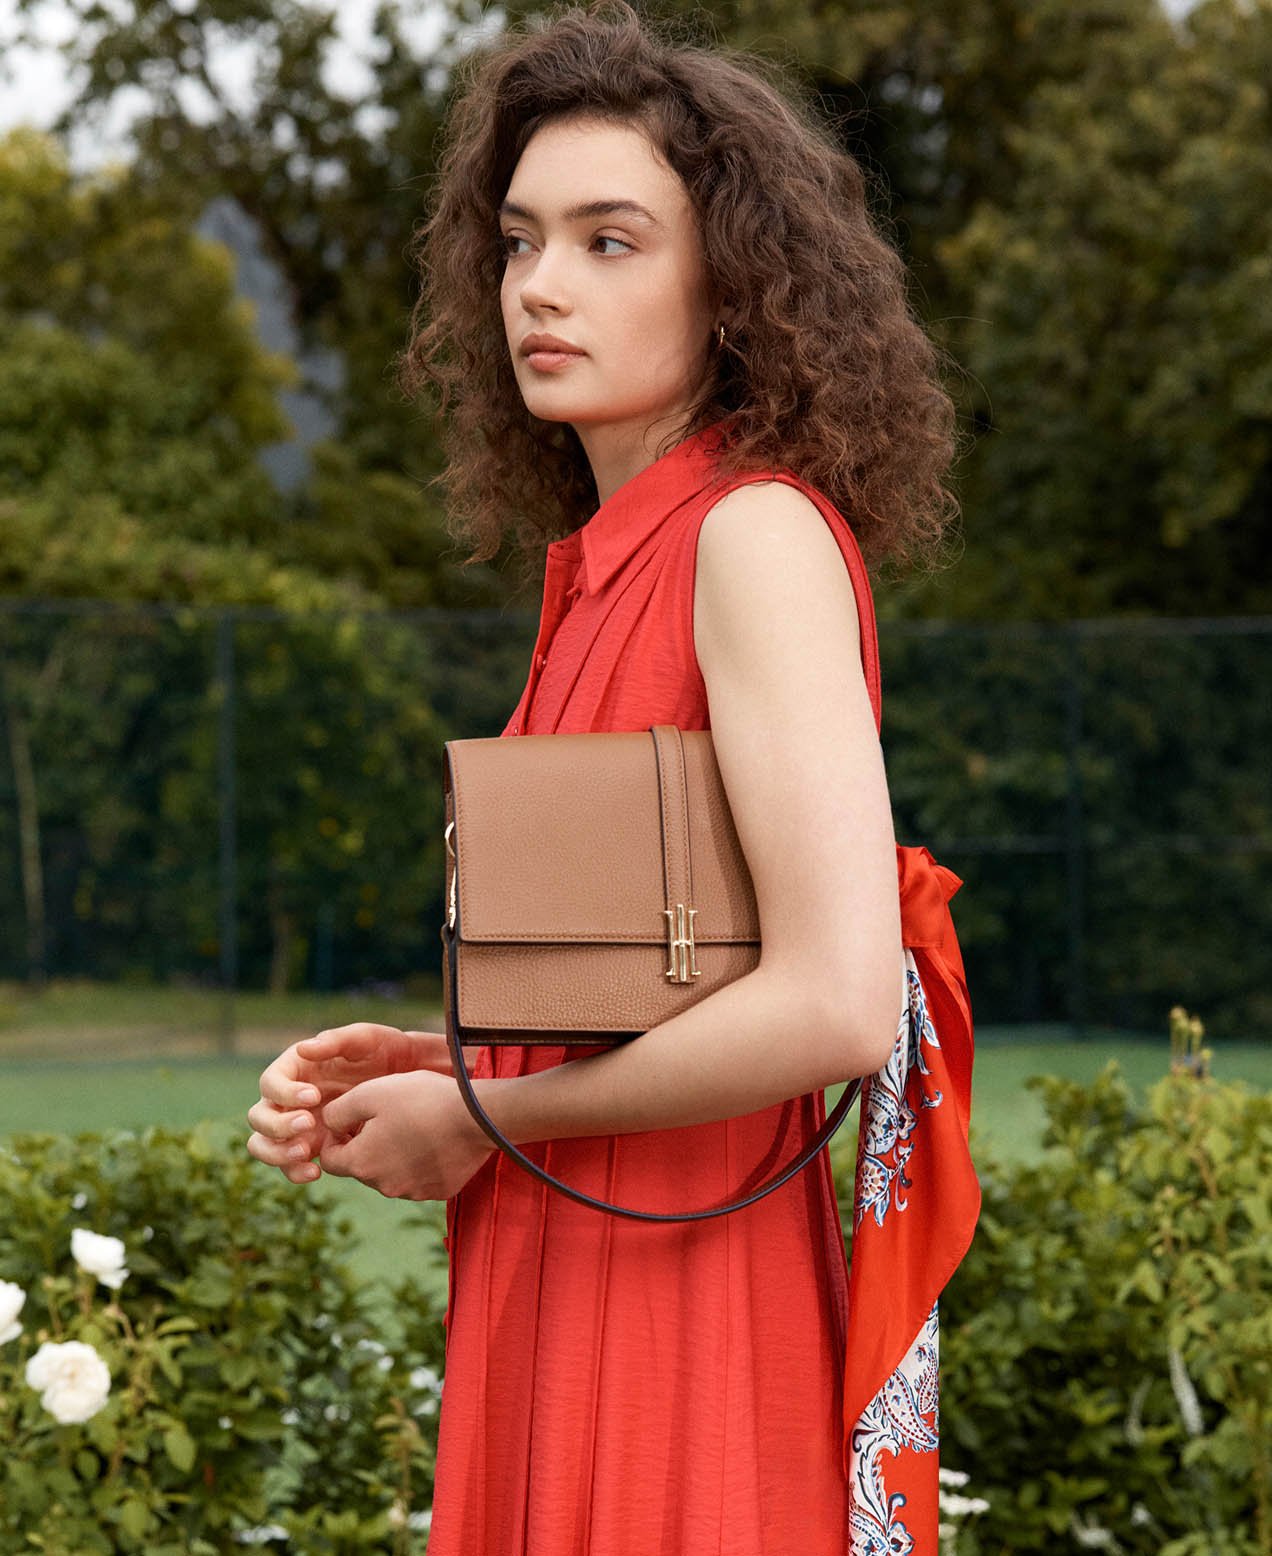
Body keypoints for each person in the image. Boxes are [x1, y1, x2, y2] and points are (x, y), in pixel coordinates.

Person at [246, 2, 981, 1551]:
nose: (541, 288)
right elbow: (647, 976)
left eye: (609, 241)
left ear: (735, 288)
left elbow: (835, 999)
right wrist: (435, 1073)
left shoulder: (749, 538)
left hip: (673, 1315)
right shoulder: (601, 563)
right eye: (519, 242)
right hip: (560, 1265)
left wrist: (491, 1122)